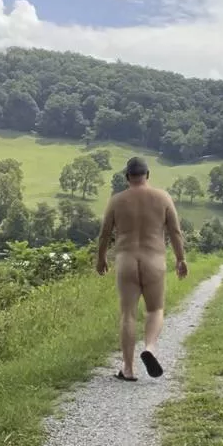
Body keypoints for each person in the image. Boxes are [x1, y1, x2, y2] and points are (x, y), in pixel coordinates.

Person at [96, 156, 188, 381]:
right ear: (147, 175)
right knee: (155, 310)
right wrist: (180, 259)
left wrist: (100, 258)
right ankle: (150, 348)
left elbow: (105, 233)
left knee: (128, 314)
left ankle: (127, 369)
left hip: (126, 260)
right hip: (154, 260)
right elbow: (175, 232)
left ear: (127, 177)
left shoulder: (117, 201)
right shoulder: (162, 197)